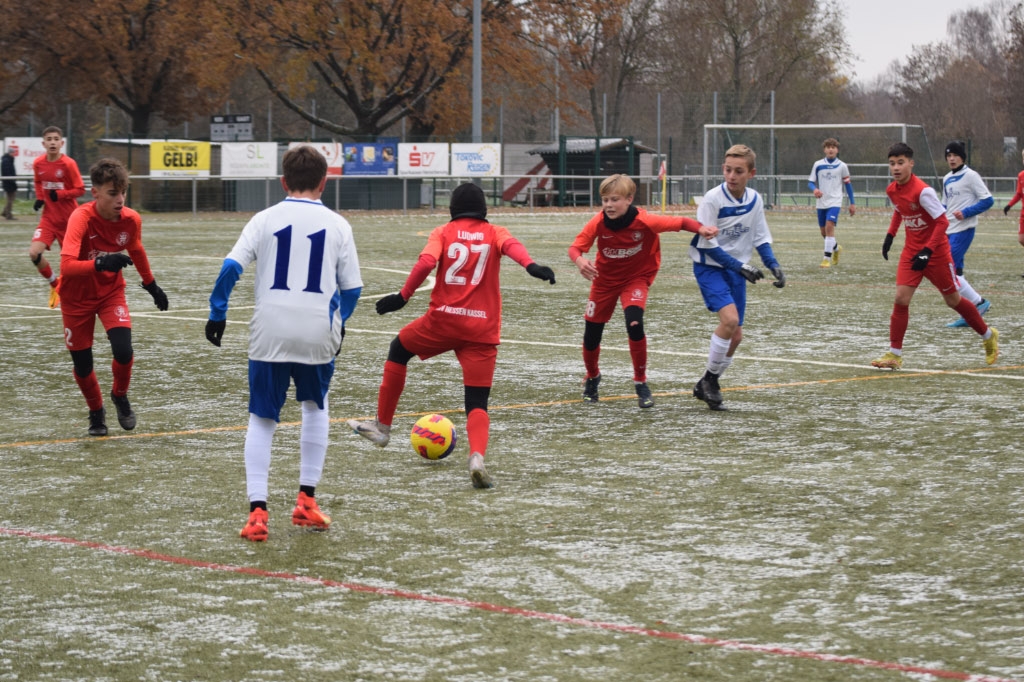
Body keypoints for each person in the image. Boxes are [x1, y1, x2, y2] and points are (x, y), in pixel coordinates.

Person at [346, 182, 556, 489]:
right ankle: (477, 459)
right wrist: (531, 266)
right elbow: (513, 248)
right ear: (483, 209)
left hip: (443, 322)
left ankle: (382, 427)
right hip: (482, 329)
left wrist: (403, 296)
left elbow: (426, 262)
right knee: (477, 401)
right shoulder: (495, 232)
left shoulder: (443, 232)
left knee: (399, 350)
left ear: (452, 209)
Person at [205, 145, 362, 542]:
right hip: (317, 333)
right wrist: (338, 324)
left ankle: (257, 515)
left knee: (262, 419)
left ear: (283, 181)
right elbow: (353, 289)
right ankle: (306, 502)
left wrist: (218, 313)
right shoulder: (338, 225)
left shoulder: (264, 219)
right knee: (315, 408)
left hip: (269, 332)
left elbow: (230, 268)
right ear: (324, 182)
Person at [568, 174, 718, 407]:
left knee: (635, 323)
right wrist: (579, 261)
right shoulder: (598, 222)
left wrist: (701, 229)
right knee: (591, 334)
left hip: (635, 280)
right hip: (604, 282)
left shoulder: (645, 221)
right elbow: (575, 248)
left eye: (614, 199)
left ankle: (640, 382)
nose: (608, 205)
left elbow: (679, 222)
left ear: (629, 199)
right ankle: (592, 377)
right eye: (605, 200)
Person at [59, 158, 169, 437]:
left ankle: (119, 395)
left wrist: (152, 285)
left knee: (123, 349)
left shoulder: (131, 219)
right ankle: (96, 411)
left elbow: (136, 250)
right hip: (75, 298)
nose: (120, 200)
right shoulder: (81, 218)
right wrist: (99, 263)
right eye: (112, 193)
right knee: (83, 365)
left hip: (110, 293)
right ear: (95, 193)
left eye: (123, 192)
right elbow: (67, 266)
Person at [872, 142, 997, 370]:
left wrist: (928, 251)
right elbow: (899, 211)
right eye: (892, 164)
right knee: (901, 298)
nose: (896, 168)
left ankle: (988, 335)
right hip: (911, 252)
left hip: (936, 254)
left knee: (953, 300)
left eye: (900, 163)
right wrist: (890, 235)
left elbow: (942, 222)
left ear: (911, 163)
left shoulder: (923, 191)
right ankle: (894, 354)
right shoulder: (892, 190)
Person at [689, 144, 785, 411]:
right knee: (730, 320)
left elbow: (760, 236)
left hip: (736, 269)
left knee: (737, 336)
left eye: (739, 171)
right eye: (728, 170)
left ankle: (707, 381)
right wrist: (738, 266)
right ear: (723, 169)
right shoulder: (712, 199)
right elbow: (708, 244)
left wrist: (773, 264)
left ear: (751, 173)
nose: (732, 176)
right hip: (710, 267)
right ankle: (710, 382)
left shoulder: (755, 199)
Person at [30, 126, 85, 309]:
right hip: (48, 219)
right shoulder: (38, 163)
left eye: (55, 139)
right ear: (43, 143)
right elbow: (38, 181)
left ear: (61, 143)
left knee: (73, 265)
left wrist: (60, 195)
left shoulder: (68, 164)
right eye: (49, 139)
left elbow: (80, 189)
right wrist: (40, 198)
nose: (52, 142)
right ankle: (55, 284)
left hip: (69, 221)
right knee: (34, 253)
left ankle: (82, 296)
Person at [941, 140, 995, 327]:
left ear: (962, 157)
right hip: (948, 230)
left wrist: (966, 213)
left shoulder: (971, 176)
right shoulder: (946, 178)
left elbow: (988, 200)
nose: (952, 159)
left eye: (955, 155)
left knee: (947, 271)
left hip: (963, 230)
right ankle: (970, 314)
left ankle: (979, 303)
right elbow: (945, 205)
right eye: (949, 156)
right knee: (956, 272)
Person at [807, 138, 855, 268]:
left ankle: (826, 259)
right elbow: (810, 182)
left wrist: (852, 203)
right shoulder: (818, 164)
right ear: (824, 150)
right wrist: (815, 189)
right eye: (828, 147)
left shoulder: (842, 166)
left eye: (833, 147)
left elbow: (848, 185)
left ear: (837, 150)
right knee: (824, 232)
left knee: (829, 227)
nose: (830, 149)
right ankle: (836, 248)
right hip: (821, 202)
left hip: (835, 201)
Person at [1002, 148, 1024, 277]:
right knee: (1021, 239)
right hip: (1023, 214)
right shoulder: (1021, 176)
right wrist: (1009, 205)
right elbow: (1019, 194)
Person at [2, 147, 16, 220]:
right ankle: (8, 214)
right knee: (10, 199)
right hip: (9, 183)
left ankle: (5, 212)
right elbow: (7, 172)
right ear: (10, 153)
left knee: (10, 199)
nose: (14, 154)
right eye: (13, 152)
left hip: (9, 182)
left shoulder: (8, 160)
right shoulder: (7, 161)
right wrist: (12, 181)